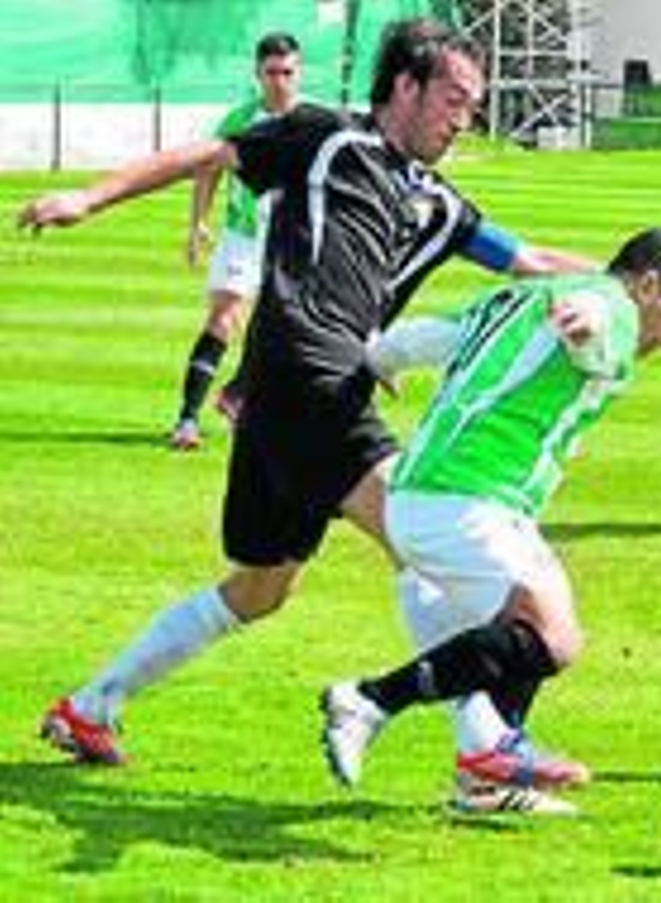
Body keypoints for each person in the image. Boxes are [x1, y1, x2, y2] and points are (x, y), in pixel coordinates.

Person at [21, 18, 593, 773]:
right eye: (454, 99)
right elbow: (211, 154)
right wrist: (89, 198)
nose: (464, 119)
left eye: (474, 105)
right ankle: (483, 751)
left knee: (261, 589)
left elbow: (529, 259)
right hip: (309, 375)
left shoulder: (438, 203)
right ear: (405, 86)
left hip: (286, 397)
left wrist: (623, 290)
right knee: (429, 541)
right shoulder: (327, 137)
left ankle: (90, 705)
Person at [319, 228, 661, 815]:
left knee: (533, 611)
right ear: (647, 285)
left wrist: (381, 361)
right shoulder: (611, 307)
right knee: (553, 637)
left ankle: (484, 779)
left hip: (433, 493)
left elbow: (416, 340)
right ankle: (369, 700)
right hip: (462, 499)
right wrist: (588, 324)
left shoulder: (519, 297)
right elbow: (596, 320)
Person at [169, 32, 303, 451]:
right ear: (257, 74)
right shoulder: (239, 120)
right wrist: (198, 222)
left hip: (293, 240)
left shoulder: (314, 120)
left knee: (284, 329)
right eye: (271, 73)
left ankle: (241, 398)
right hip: (244, 234)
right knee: (223, 318)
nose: (279, 82)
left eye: (287, 73)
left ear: (299, 73)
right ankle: (187, 419)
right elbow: (207, 169)